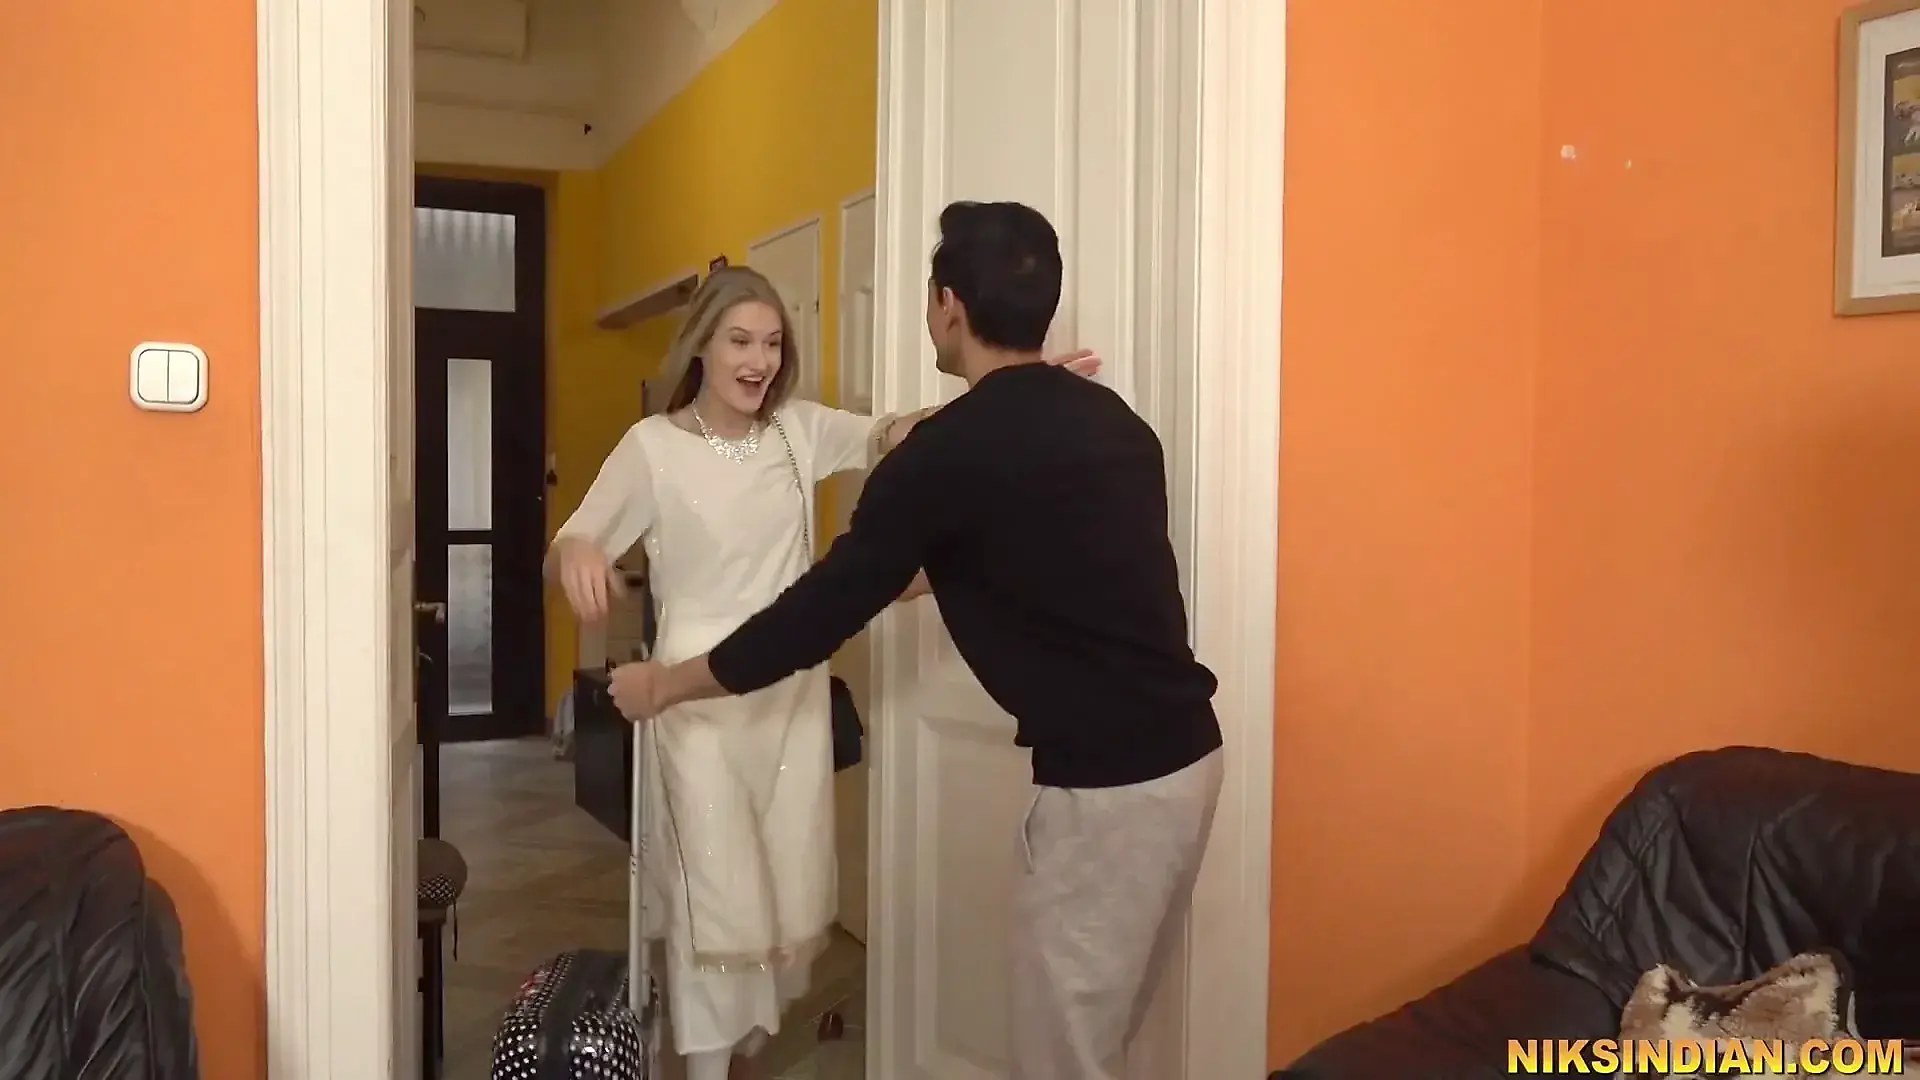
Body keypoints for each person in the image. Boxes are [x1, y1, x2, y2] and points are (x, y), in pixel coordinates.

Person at [607, 202, 1225, 1080]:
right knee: (1108, 1031)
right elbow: (1025, 563)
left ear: (948, 307)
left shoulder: (942, 459)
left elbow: (813, 617)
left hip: (1108, 797)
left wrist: (667, 685)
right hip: (1191, 762)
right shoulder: (1113, 423)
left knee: (1066, 1057)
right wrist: (892, 577)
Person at [549, 264, 1097, 1080]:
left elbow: (904, 432)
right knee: (716, 901)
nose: (758, 360)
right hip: (695, 701)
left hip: (791, 692)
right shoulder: (651, 448)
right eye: (740, 341)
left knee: (781, 894)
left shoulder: (796, 432)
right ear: (701, 344)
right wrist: (578, 552)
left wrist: (1021, 390)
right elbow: (573, 537)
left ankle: (737, 1051)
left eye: (772, 344)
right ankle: (704, 1064)